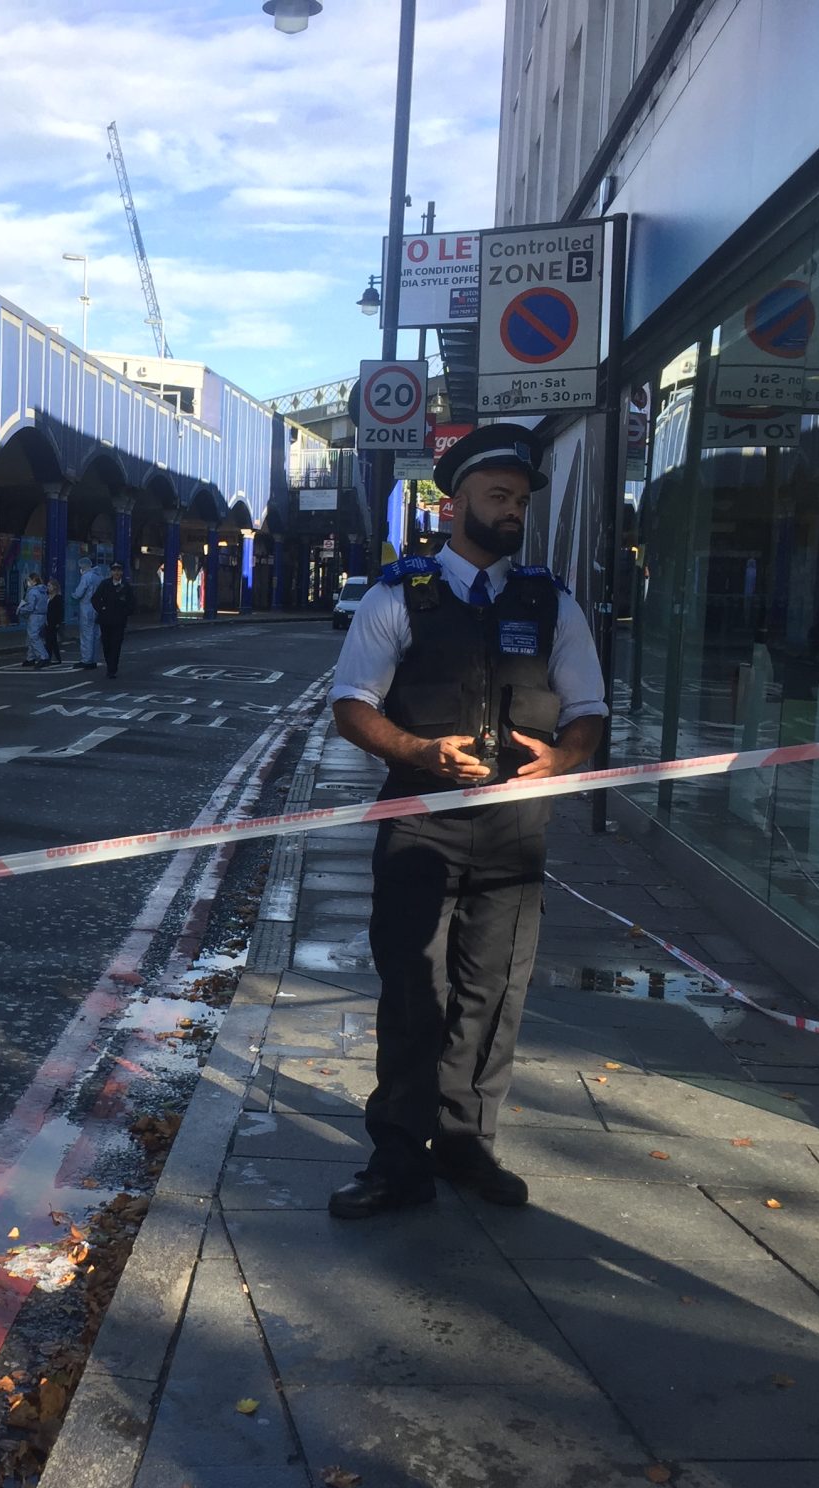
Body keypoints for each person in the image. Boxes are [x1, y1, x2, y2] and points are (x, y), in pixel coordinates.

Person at [325, 423, 608, 1218]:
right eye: (498, 495)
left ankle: (465, 1144)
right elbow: (351, 705)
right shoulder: (399, 594)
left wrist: (565, 760)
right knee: (416, 988)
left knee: (494, 991)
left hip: (516, 829)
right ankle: (397, 1157)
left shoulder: (550, 602)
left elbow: (588, 710)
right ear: (455, 505)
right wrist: (417, 751)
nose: (512, 510)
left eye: (520, 499)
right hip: (421, 821)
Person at [91, 560, 135, 680]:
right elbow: (95, 599)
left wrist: (125, 613)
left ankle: (112, 669)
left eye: (119, 570)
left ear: (121, 572)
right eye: (114, 570)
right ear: (111, 572)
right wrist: (102, 609)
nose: (116, 572)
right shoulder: (105, 584)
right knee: (106, 644)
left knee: (116, 645)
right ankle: (110, 664)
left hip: (119, 622)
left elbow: (132, 604)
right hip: (105, 620)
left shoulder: (126, 587)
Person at [73, 556, 105, 668]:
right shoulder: (98, 576)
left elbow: (79, 592)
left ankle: (86, 660)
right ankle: (93, 659)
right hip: (96, 608)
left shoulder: (86, 577)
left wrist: (74, 595)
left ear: (83, 566)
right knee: (96, 634)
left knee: (86, 634)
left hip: (86, 607)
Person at [18, 572, 49, 667]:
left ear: (34, 581)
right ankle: (30, 658)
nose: (27, 582)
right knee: (32, 636)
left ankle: (43, 656)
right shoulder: (43, 591)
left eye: (29, 580)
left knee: (33, 637)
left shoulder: (32, 592)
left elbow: (30, 607)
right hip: (43, 616)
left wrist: (20, 609)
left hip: (34, 616)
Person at [44, 578, 65, 664]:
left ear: (55, 587)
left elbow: (60, 611)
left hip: (53, 622)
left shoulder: (58, 598)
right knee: (52, 640)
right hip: (46, 621)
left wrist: (58, 622)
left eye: (49, 586)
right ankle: (56, 657)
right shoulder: (47, 596)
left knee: (50, 640)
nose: (48, 587)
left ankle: (50, 657)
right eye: (47, 586)